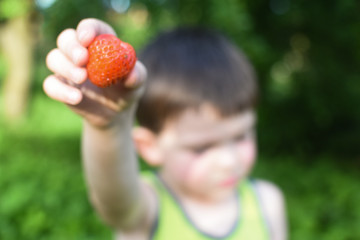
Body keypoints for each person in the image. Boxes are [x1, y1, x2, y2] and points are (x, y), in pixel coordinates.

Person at [44, 18, 287, 240]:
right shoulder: (148, 208)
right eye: (201, 148)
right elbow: (116, 206)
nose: (228, 160)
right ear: (150, 147)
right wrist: (108, 127)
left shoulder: (268, 203)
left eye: (240, 136)